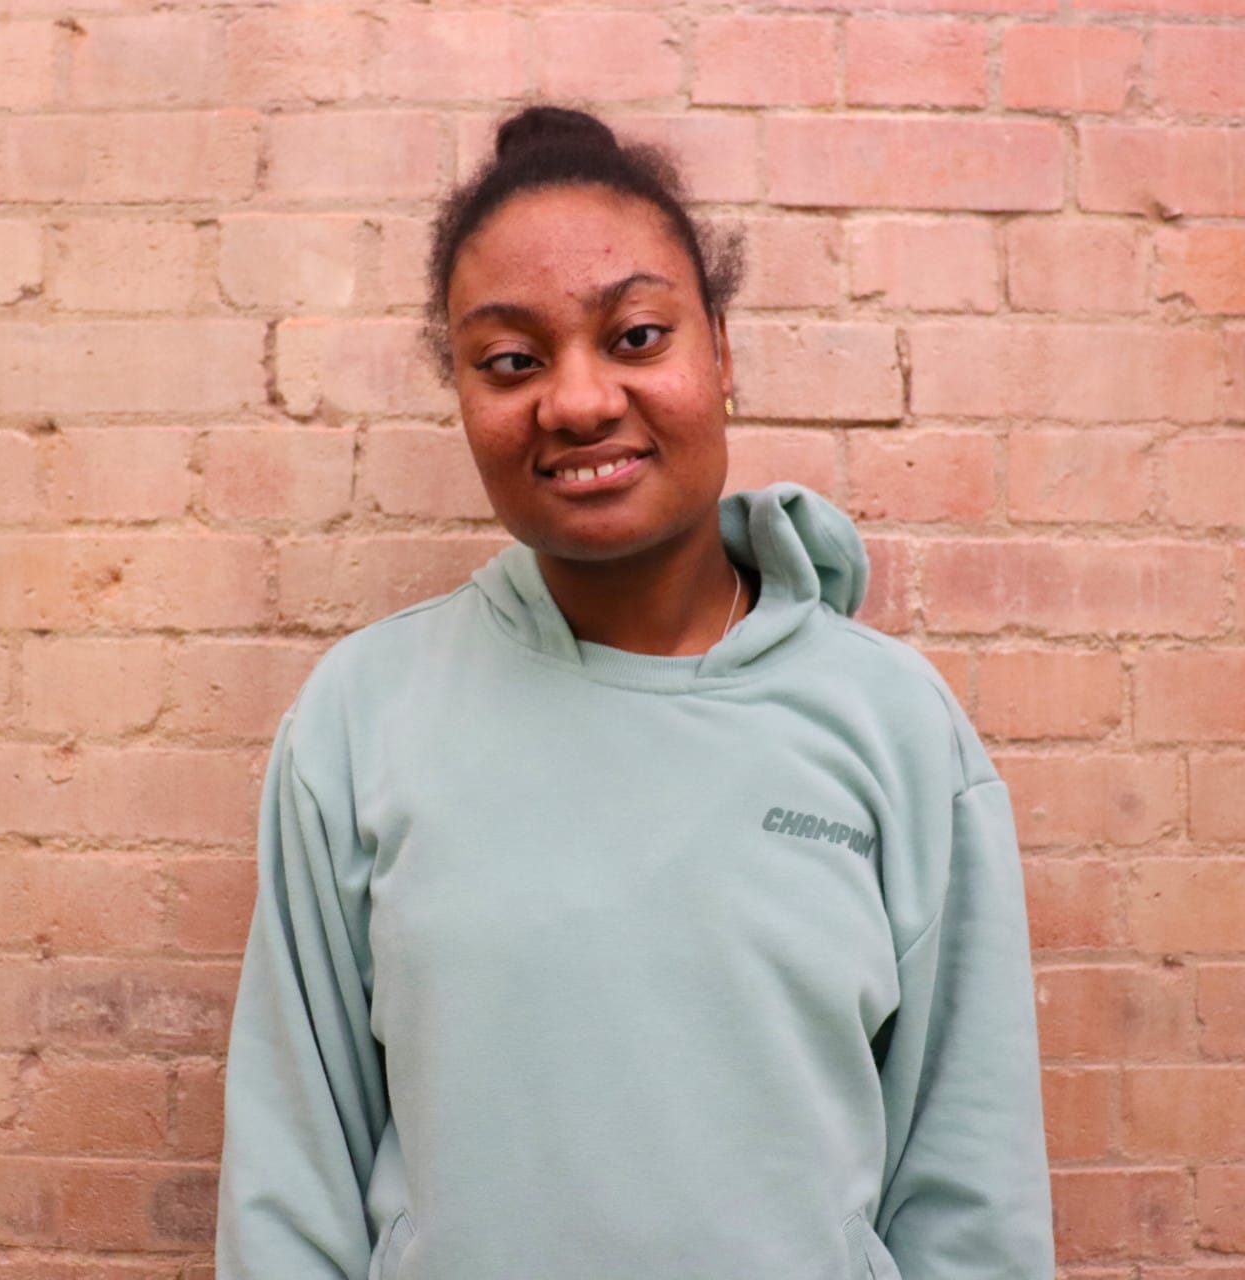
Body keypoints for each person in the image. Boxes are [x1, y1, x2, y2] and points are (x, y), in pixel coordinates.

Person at [215, 105, 1054, 1280]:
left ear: (719, 349)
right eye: (510, 360)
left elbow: (970, 1189)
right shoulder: (362, 718)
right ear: (461, 391)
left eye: (635, 336)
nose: (575, 401)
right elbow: (290, 1176)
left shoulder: (895, 728)